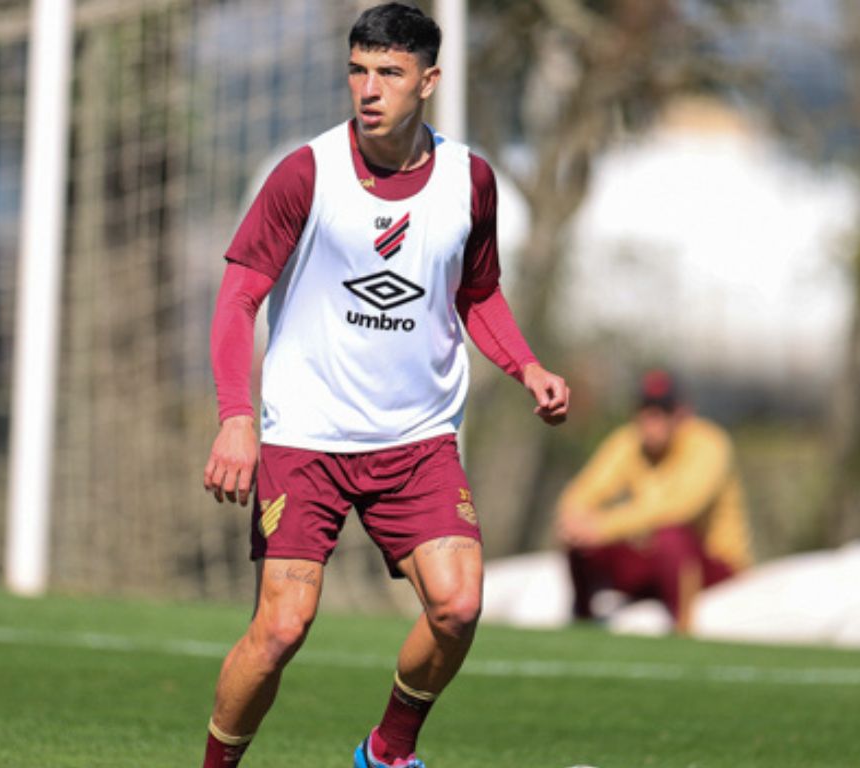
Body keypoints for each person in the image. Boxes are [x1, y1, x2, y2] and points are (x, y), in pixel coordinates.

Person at [199, 5, 570, 766]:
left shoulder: (470, 180)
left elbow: (478, 291)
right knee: (280, 630)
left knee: (459, 604)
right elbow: (238, 298)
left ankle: (386, 753)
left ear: (428, 81)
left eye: (390, 74)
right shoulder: (307, 171)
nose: (369, 90)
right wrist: (237, 416)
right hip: (305, 436)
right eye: (358, 71)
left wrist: (526, 366)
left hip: (417, 439)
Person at [555, 369, 752, 632]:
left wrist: (602, 527)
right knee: (582, 539)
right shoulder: (629, 442)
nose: (652, 422)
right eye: (646, 412)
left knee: (670, 536)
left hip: (710, 564)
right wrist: (576, 520)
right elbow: (582, 492)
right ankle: (583, 618)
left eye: (661, 413)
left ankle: (682, 625)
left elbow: (681, 508)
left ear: (681, 415)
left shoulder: (709, 443)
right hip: (650, 558)